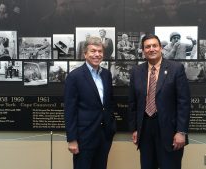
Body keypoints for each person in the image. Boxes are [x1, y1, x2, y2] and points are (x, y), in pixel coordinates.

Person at [128, 34, 190, 169]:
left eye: (154, 46)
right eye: (147, 47)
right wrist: (134, 129)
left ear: (161, 48)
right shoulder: (136, 72)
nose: (151, 49)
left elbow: (183, 102)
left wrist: (181, 132)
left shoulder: (176, 69)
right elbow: (133, 103)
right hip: (145, 129)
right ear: (143, 50)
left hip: (170, 131)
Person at [64, 36, 116, 169]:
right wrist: (72, 139)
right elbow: (70, 110)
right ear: (85, 53)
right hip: (84, 137)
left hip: (104, 136)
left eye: (100, 51)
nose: (97, 54)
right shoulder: (74, 77)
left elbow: (108, 103)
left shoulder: (106, 74)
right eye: (93, 51)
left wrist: (111, 127)